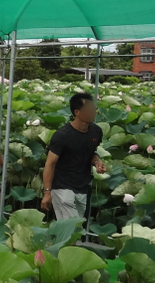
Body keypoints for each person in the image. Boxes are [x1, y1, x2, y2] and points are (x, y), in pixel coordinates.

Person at [41, 92, 106, 223]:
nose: (94, 112)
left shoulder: (96, 131)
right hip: (62, 188)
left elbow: (91, 153)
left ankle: (56, 243)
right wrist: (47, 192)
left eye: (94, 108)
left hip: (82, 186)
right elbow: (50, 164)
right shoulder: (62, 135)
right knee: (72, 228)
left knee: (75, 229)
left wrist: (97, 161)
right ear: (77, 112)